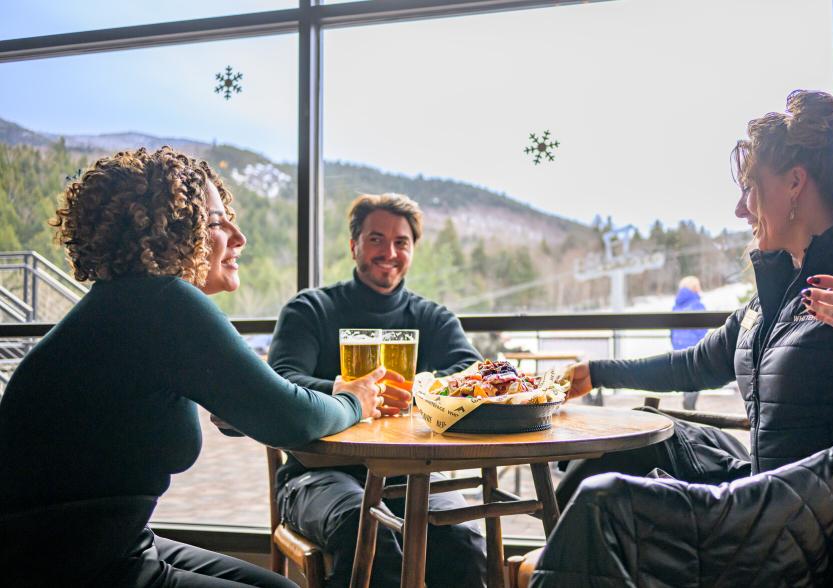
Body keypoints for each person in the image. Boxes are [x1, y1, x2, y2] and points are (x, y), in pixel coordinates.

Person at [561, 90, 833, 587]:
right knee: (614, 454)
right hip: (780, 521)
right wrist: (598, 372)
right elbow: (693, 366)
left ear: (793, 183)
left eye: (749, 188)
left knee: (604, 503)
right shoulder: (771, 300)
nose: (741, 209)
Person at [0, 147, 386, 588]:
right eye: (219, 223)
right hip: (64, 565)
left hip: (98, 544)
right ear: (172, 233)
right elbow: (293, 419)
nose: (238, 237)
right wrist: (353, 400)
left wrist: (239, 401)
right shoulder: (163, 303)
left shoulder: (129, 302)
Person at [267, 193, 487, 588]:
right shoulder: (310, 310)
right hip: (317, 474)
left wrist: (419, 388)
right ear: (353, 246)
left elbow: (471, 372)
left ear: (412, 250)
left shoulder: (432, 317)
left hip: (414, 473)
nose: (389, 251)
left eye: (401, 242)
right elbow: (281, 380)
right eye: (375, 239)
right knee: (368, 530)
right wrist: (347, 390)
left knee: (463, 539)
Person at [670, 276, 708, 410]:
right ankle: (689, 406)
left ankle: (688, 403)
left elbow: (672, 328)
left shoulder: (677, 305)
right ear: (695, 288)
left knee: (685, 377)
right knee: (696, 378)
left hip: (678, 346)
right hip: (694, 346)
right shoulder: (697, 305)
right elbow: (702, 329)